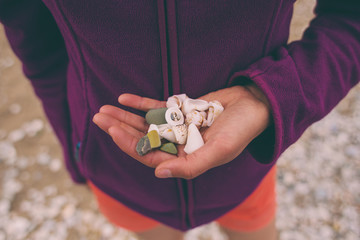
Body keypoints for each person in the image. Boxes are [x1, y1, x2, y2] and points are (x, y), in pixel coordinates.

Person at [0, 0, 359, 239]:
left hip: (247, 161)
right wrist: (75, 151)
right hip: (121, 170)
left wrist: (269, 97)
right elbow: (38, 46)